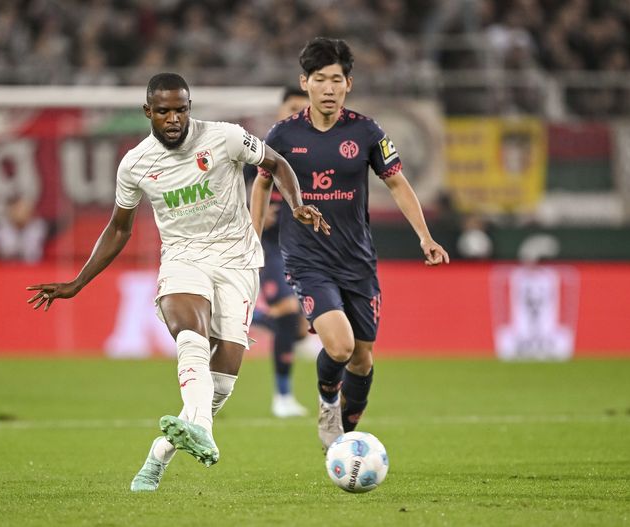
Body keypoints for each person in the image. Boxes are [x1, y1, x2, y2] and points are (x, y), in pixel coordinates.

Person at [26, 73, 328, 491]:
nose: (173, 118)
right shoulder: (135, 164)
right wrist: (78, 282)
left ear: (190, 108)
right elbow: (118, 229)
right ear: (148, 111)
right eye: (164, 110)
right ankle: (203, 426)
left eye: (181, 109)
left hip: (237, 261)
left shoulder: (225, 138)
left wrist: (297, 204)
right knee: (192, 334)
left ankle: (158, 455)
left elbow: (275, 162)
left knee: (221, 382)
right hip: (183, 259)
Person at [251, 38, 449, 451]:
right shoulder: (284, 135)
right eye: (319, 79)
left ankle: (346, 430)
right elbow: (261, 184)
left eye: (336, 80)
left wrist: (425, 236)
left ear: (348, 84)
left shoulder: (366, 131)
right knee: (338, 346)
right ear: (305, 83)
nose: (328, 88)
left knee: (362, 358)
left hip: (357, 261)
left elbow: (396, 183)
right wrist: (252, 240)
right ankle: (327, 406)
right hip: (306, 259)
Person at [245, 86, 312, 418]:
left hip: (304, 248)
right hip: (270, 247)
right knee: (288, 313)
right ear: (280, 112)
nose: (296, 114)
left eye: (303, 109)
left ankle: (245, 320)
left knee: (296, 328)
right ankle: (282, 397)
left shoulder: (316, 155)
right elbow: (238, 192)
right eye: (292, 108)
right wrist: (251, 209)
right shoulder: (260, 154)